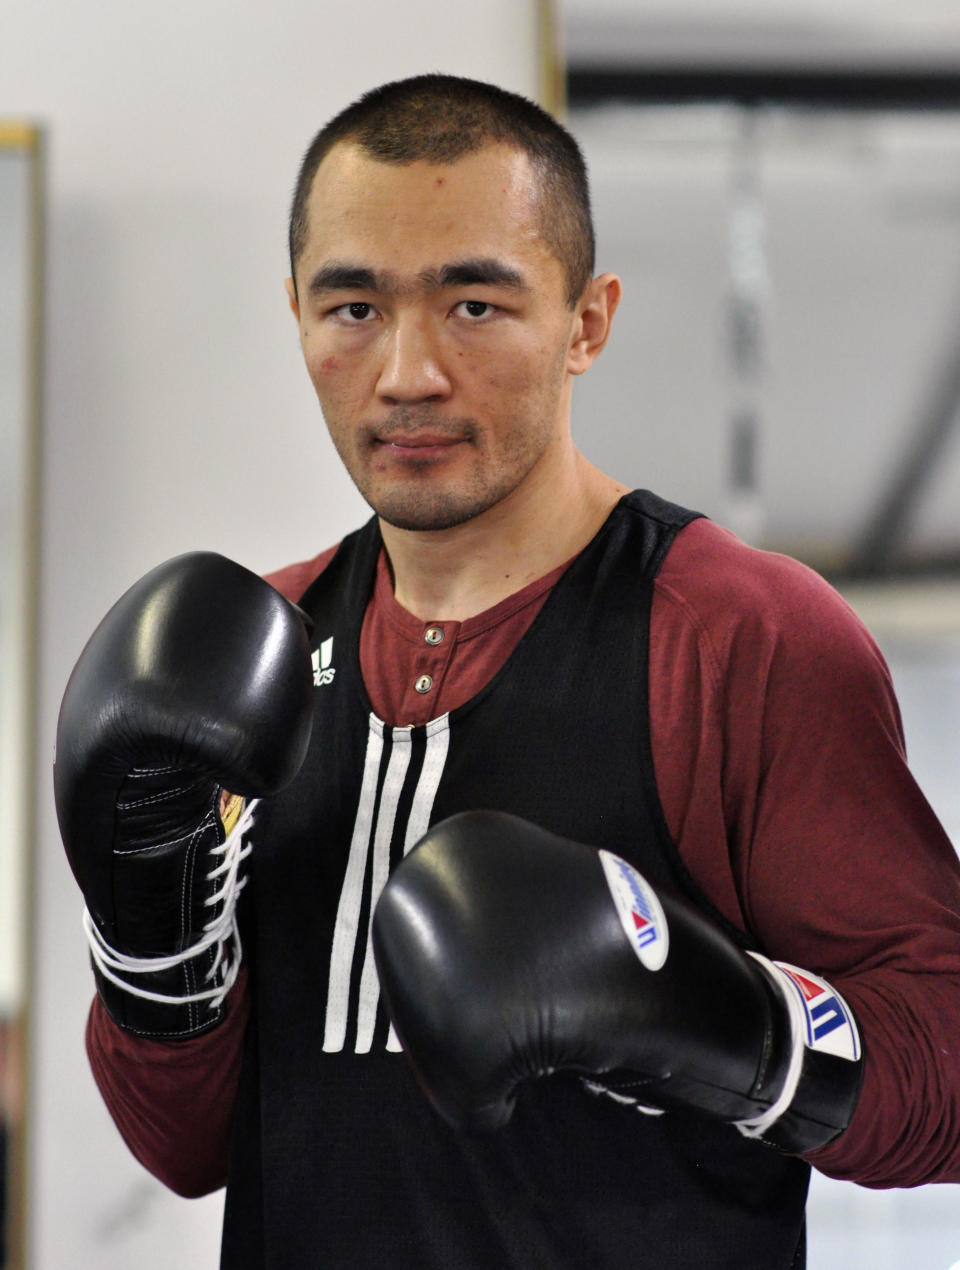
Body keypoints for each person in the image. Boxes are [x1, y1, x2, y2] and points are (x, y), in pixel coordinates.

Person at [55, 74, 960, 1269]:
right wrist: (151, 937)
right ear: (298, 317)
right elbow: (188, 1147)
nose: (407, 373)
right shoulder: (256, 651)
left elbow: (942, 1068)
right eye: (353, 309)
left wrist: (708, 1018)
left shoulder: (739, 636)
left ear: (587, 321)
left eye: (474, 305)